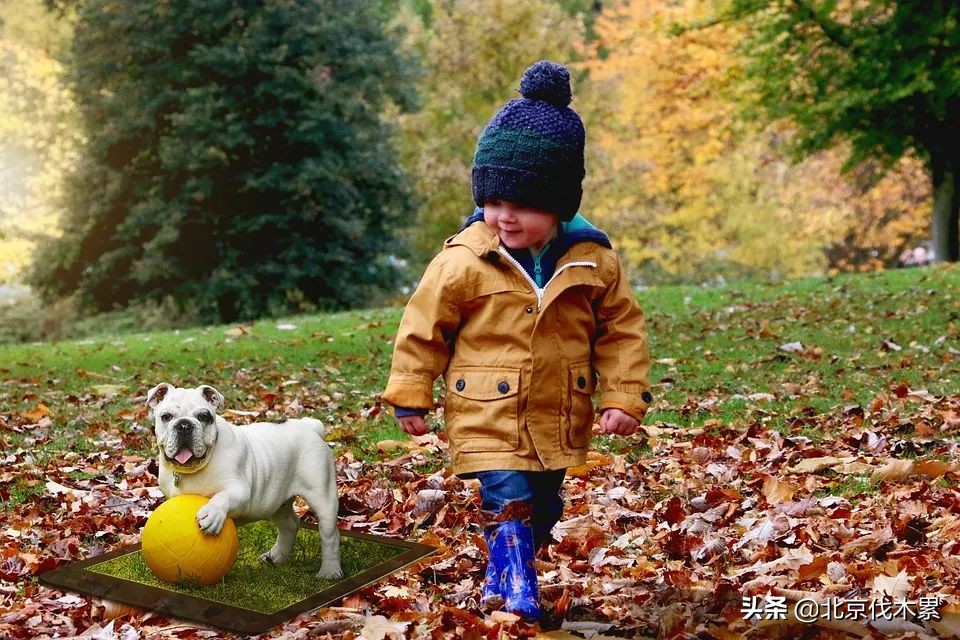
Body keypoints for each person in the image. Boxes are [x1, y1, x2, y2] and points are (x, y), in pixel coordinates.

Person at [381, 60, 652, 621]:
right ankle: (520, 590)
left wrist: (624, 397)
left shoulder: (592, 260)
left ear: (558, 204)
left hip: (558, 413)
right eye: (494, 201)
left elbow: (621, 330)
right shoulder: (465, 259)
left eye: (522, 205)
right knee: (509, 496)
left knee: (546, 505)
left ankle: (503, 574)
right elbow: (424, 323)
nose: (503, 216)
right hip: (486, 409)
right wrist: (411, 390)